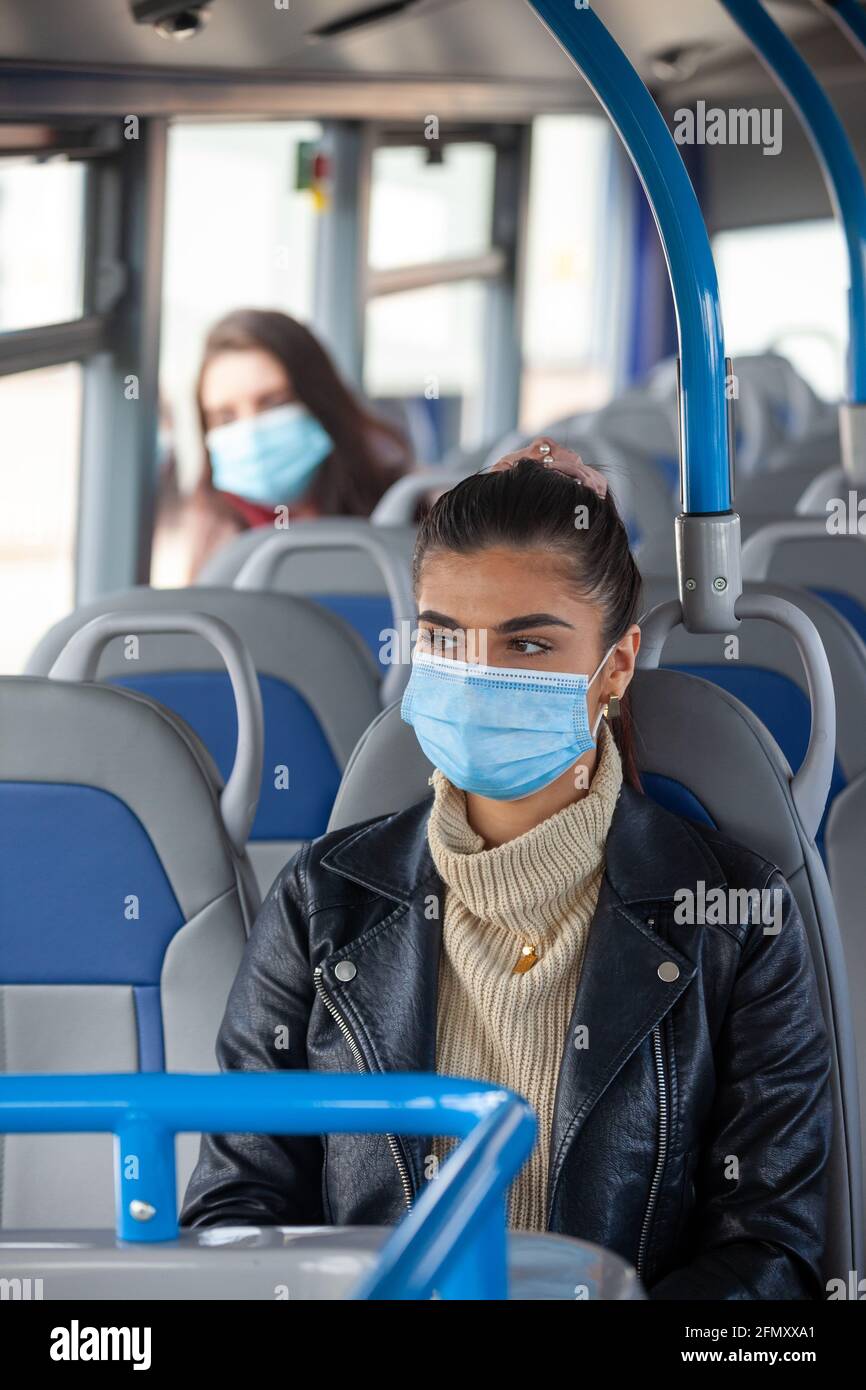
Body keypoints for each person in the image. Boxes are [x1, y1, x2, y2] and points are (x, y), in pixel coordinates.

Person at [181, 436, 832, 1300]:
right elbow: (238, 1207)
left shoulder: (735, 920)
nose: (478, 674)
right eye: (445, 641)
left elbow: (770, 1255)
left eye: (528, 647)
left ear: (617, 667)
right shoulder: (322, 902)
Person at [188, 308, 412, 575]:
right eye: (225, 417)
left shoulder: (410, 511)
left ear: (320, 400)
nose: (251, 432)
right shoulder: (212, 543)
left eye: (273, 402)